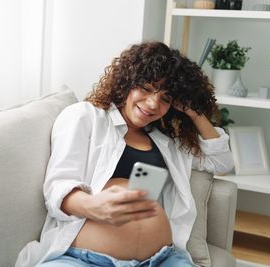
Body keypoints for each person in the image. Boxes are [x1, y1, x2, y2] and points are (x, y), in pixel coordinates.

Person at [15, 41, 234, 267]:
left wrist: (194, 111)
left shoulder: (165, 142)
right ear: (127, 82)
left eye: (165, 98)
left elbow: (221, 162)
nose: (152, 104)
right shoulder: (85, 117)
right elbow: (58, 186)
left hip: (160, 259)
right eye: (146, 88)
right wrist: (94, 206)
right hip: (82, 257)